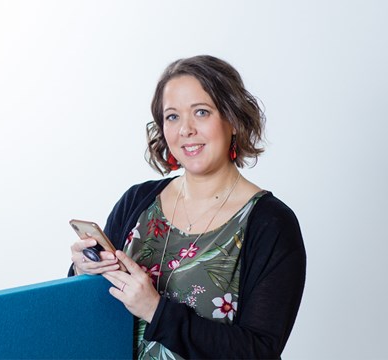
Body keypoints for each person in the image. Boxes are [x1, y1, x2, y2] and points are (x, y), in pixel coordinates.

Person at [68, 55, 306, 359]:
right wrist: (82, 270)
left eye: (202, 112)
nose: (186, 130)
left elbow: (258, 351)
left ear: (233, 119)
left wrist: (155, 310)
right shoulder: (136, 202)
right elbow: (91, 313)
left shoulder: (271, 223)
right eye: (172, 117)